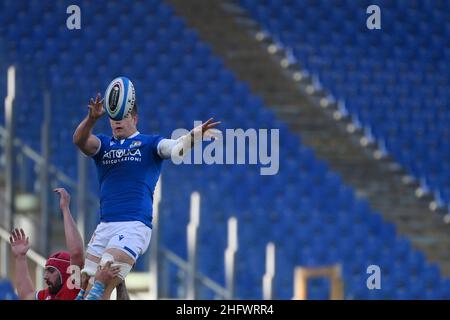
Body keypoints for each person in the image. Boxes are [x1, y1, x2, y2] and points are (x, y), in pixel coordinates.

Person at [73, 90, 220, 299]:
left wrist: (192, 137)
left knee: (102, 284)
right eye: (113, 118)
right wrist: (91, 118)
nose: (117, 122)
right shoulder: (104, 145)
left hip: (133, 226)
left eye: (122, 117)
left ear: (134, 118)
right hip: (104, 227)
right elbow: (79, 140)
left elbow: (176, 149)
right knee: (85, 287)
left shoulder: (149, 144)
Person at [9, 188, 84, 300]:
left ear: (65, 272)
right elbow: (25, 296)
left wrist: (65, 208)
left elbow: (76, 253)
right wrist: (20, 258)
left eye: (51, 271)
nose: (45, 276)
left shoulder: (73, 288)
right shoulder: (47, 295)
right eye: (46, 271)